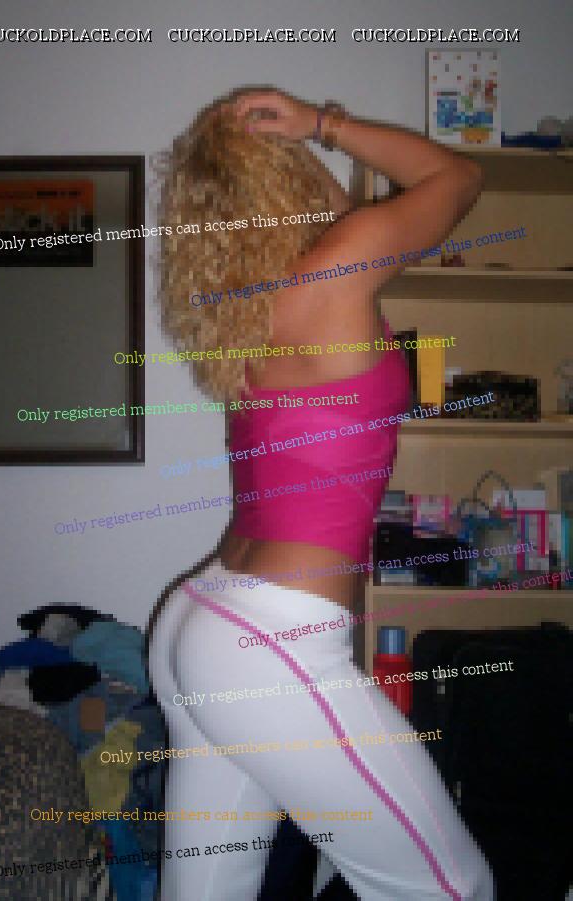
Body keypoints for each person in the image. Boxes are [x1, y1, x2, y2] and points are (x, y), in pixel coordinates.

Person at [149, 88, 493, 900]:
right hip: (271, 642)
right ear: (288, 181)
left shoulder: (250, 310)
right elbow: (459, 178)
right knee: (453, 888)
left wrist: (301, 149)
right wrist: (323, 124)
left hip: (206, 620)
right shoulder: (334, 273)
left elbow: (354, 210)